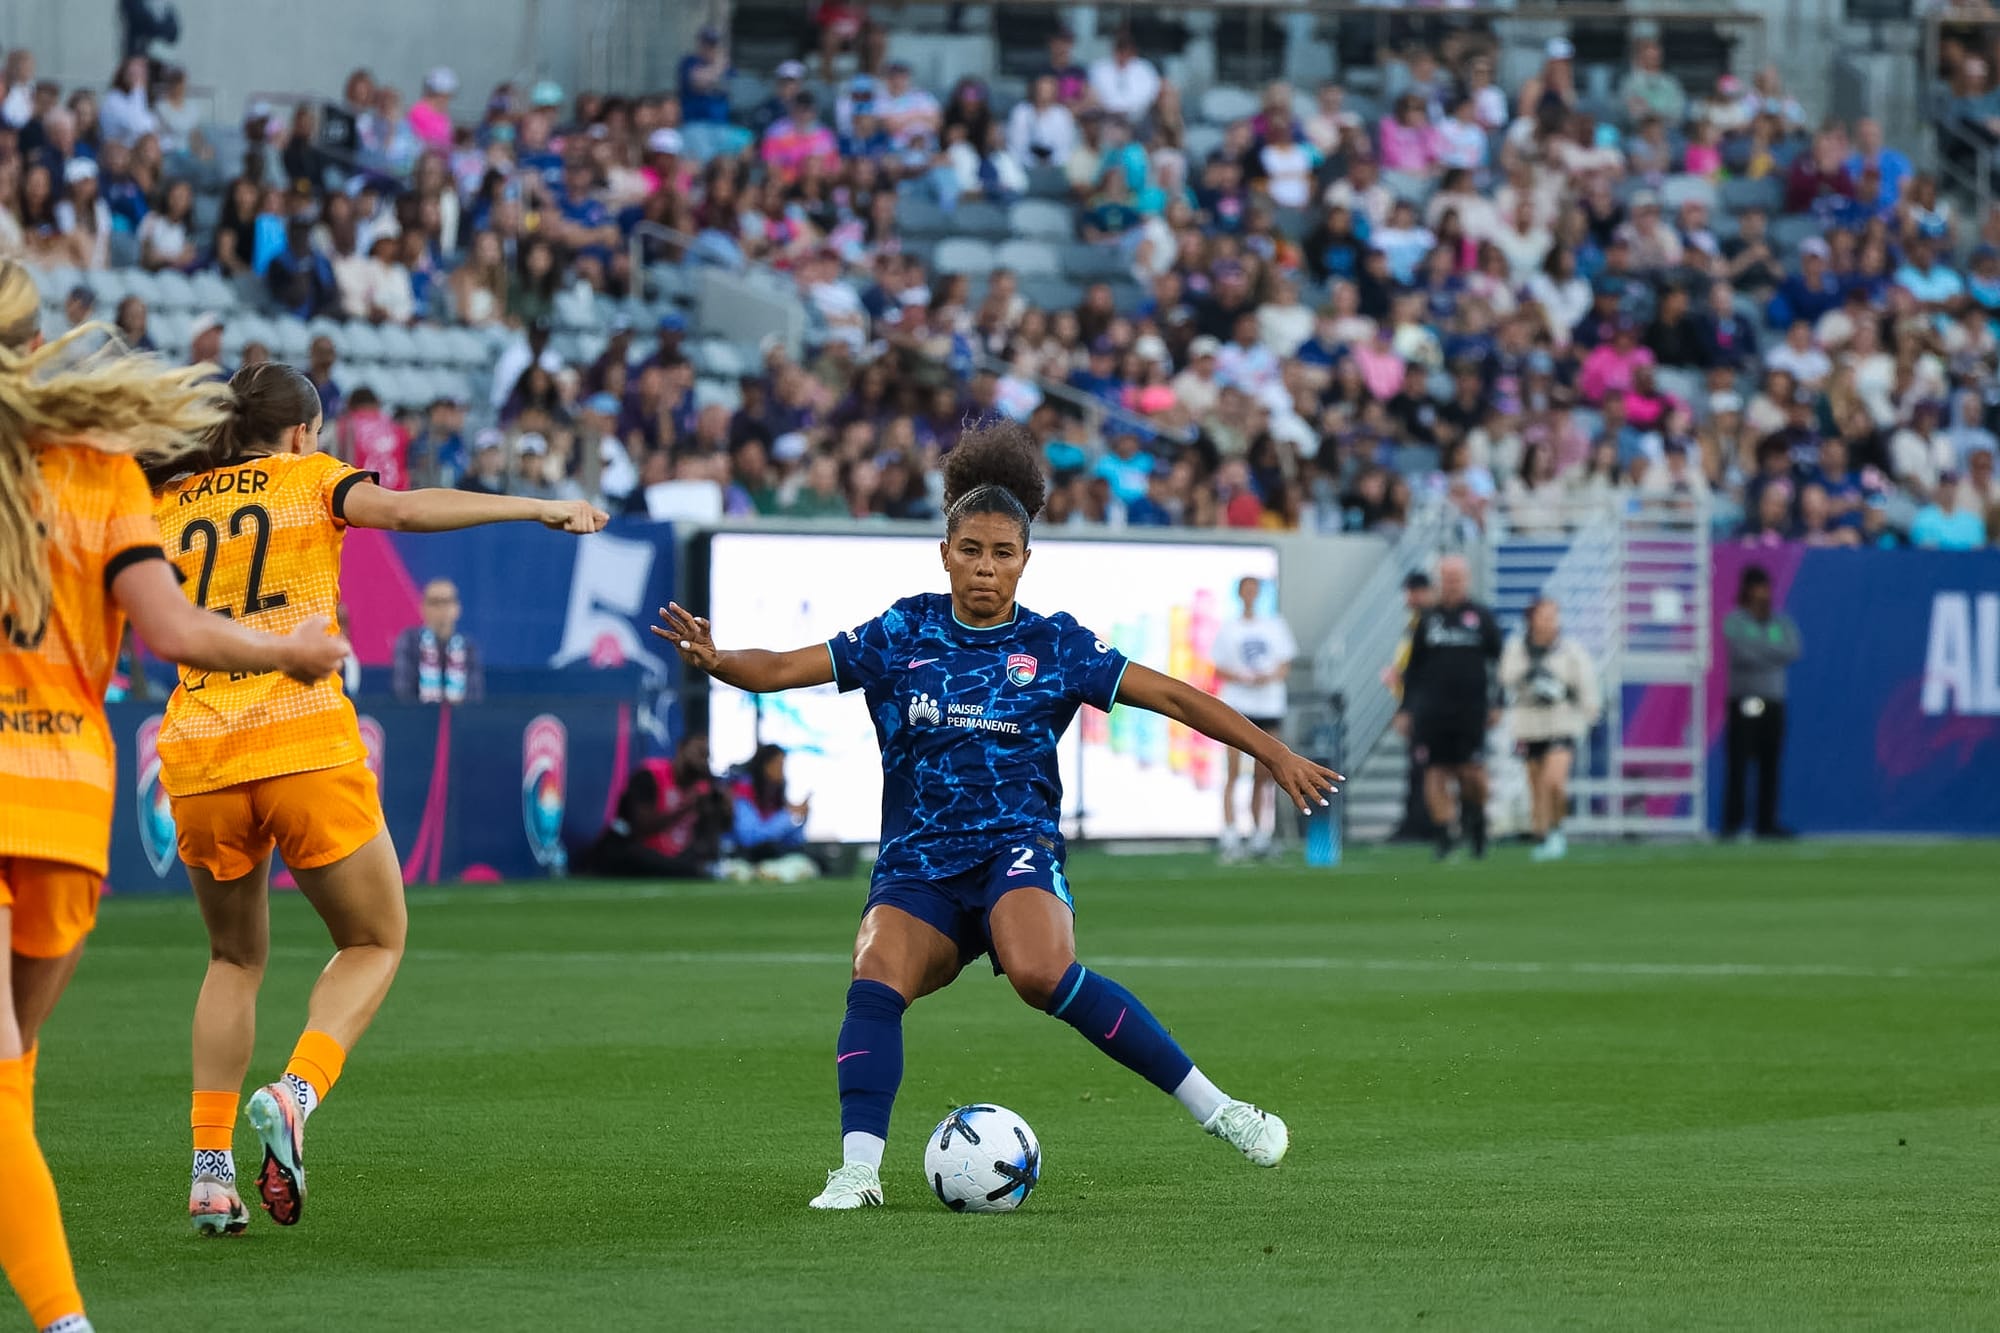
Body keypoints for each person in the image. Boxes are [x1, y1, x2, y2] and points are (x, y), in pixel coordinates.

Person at [653, 422, 1340, 1210]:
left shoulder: (1055, 644)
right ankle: (858, 1171)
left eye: (1002, 552)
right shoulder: (902, 631)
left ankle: (1221, 1110)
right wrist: (719, 660)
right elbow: (781, 667)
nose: (985, 566)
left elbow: (1174, 696)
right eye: (971, 550)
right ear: (945, 553)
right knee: (874, 973)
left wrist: (1271, 752)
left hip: (1016, 848)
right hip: (920, 862)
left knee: (1040, 971)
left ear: (1025, 559)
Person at [150, 362, 604, 1236]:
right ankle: (296, 1091)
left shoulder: (172, 497)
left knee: (232, 961)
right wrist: (534, 506)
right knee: (374, 939)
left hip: (201, 751)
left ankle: (209, 1175)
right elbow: (403, 509)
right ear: (300, 433)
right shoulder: (310, 478)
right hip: (302, 743)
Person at [0, 261, 348, 1333]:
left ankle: (70, 1316)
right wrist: (289, 652)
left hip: (130, 779)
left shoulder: (130, 477)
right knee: (8, 1077)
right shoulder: (100, 473)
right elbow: (173, 630)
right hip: (65, 809)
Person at [1394, 555, 1502, 860]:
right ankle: (1444, 834)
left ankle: (1476, 819)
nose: (1452, 583)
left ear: (1466, 580)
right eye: (1447, 578)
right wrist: (1405, 709)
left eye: (1457, 578)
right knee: (1435, 771)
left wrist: (1498, 702)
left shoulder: (1481, 617)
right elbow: (1413, 669)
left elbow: (1499, 663)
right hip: (1433, 712)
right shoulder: (1428, 621)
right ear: (1440, 581)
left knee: (1472, 773)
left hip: (1471, 711)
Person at [1499, 599, 1601, 862]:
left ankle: (1557, 831)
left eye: (1552, 616)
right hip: (1529, 723)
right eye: (1543, 617)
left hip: (1560, 721)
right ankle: (1543, 836)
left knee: (1554, 781)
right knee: (1536, 786)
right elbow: (1506, 677)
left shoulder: (1569, 649)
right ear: (1532, 620)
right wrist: (1531, 671)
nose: (1549, 622)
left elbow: (1585, 683)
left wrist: (1590, 710)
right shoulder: (1517, 648)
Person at [1208, 576, 1298, 861]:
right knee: (1233, 771)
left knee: (1266, 772)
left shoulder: (1274, 625)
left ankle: (1260, 833)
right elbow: (1218, 668)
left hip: (1268, 706)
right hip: (1238, 706)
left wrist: (1266, 677)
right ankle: (1230, 834)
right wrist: (1244, 677)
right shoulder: (1229, 628)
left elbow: (1284, 665)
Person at [579, 733, 731, 879]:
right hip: (629, 845)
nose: (702, 761)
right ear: (681, 749)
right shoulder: (650, 775)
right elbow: (642, 826)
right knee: (672, 866)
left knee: (688, 865)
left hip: (670, 855)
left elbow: (719, 829)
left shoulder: (703, 789)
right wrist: (686, 808)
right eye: (699, 752)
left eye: (706, 756)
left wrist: (725, 808)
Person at [1720, 564, 1800, 840]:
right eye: (1758, 587)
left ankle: (1766, 822)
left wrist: (1762, 650)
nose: (1763, 593)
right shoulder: (1736, 620)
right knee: (1739, 761)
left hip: (1773, 700)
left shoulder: (1780, 622)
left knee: (1770, 762)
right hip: (1747, 700)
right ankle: (1733, 822)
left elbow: (1793, 650)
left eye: (1765, 587)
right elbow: (1742, 654)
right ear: (1747, 589)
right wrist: (1772, 654)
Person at [1385, 570, 1439, 843]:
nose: (1410, 598)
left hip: (1427, 707)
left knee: (1426, 767)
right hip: (1416, 704)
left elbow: (1423, 669)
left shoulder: (1430, 623)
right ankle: (1418, 821)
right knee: (1419, 768)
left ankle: (1424, 823)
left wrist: (1405, 693)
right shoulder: (1416, 623)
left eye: (1414, 592)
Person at [728, 743, 820, 882]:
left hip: (772, 855)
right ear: (764, 765)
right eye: (779, 764)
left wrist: (802, 817)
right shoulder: (744, 791)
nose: (782, 770)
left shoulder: (776, 795)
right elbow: (750, 838)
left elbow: (792, 842)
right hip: (745, 856)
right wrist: (787, 814)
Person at [391, 578, 482, 704]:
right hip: (417, 714)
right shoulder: (409, 641)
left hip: (461, 715)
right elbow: (403, 692)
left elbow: (474, 697)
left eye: (447, 601)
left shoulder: (468, 647)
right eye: (434, 602)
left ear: (457, 608)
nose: (441, 608)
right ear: (422, 607)